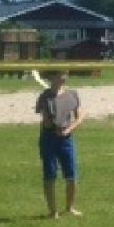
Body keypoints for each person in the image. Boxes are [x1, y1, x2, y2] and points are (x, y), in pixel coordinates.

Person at [35, 71, 85, 218]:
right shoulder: (45, 96)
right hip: (49, 138)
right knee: (50, 174)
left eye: (65, 74)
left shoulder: (73, 94)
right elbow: (46, 120)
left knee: (72, 175)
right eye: (60, 74)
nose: (63, 77)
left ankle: (70, 208)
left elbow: (81, 115)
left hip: (67, 139)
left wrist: (68, 129)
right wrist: (54, 127)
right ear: (51, 77)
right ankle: (52, 211)